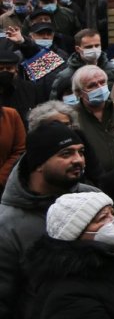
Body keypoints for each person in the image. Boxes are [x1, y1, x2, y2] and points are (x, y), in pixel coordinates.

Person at [0, 123, 99, 310]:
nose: (79, 160)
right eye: (66, 153)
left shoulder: (91, 198)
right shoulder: (7, 226)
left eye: (81, 152)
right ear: (39, 164)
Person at [26, 191, 114, 318]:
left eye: (112, 214)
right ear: (76, 233)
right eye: (102, 218)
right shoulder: (68, 297)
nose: (113, 221)